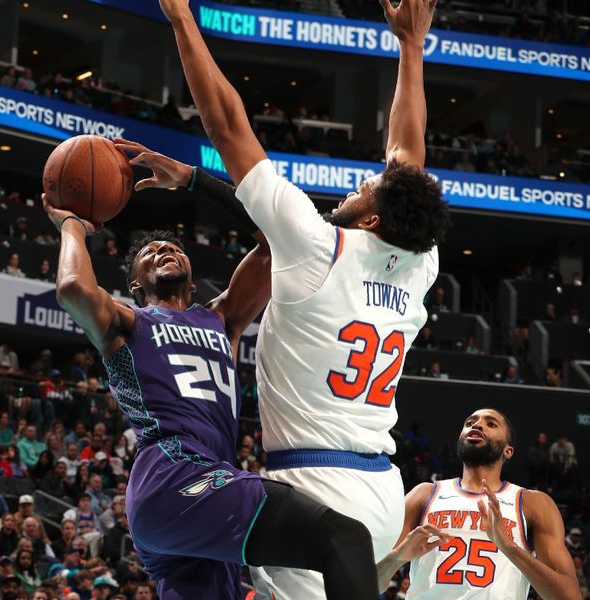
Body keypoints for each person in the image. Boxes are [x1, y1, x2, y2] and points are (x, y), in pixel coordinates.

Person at [152, 0, 448, 597]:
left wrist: (181, 16)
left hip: (316, 489)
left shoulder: (317, 245)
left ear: (371, 220)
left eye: (365, 187)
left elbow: (228, 125)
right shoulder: (421, 261)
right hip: (380, 490)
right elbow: (407, 162)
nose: (359, 183)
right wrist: (410, 49)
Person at [46, 91, 375, 600]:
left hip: (205, 492)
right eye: (149, 253)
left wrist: (195, 179)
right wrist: (72, 224)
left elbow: (277, 239)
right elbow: (72, 289)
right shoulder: (128, 323)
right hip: (173, 475)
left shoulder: (222, 317)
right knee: (341, 535)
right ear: (135, 285)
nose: (163, 249)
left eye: (171, 246)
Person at [376, 408, 580, 600]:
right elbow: (371, 583)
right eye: (470, 423)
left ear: (508, 451)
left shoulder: (531, 503)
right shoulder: (424, 494)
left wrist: (508, 546)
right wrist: (395, 559)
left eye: (491, 424)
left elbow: (569, 596)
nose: (477, 425)